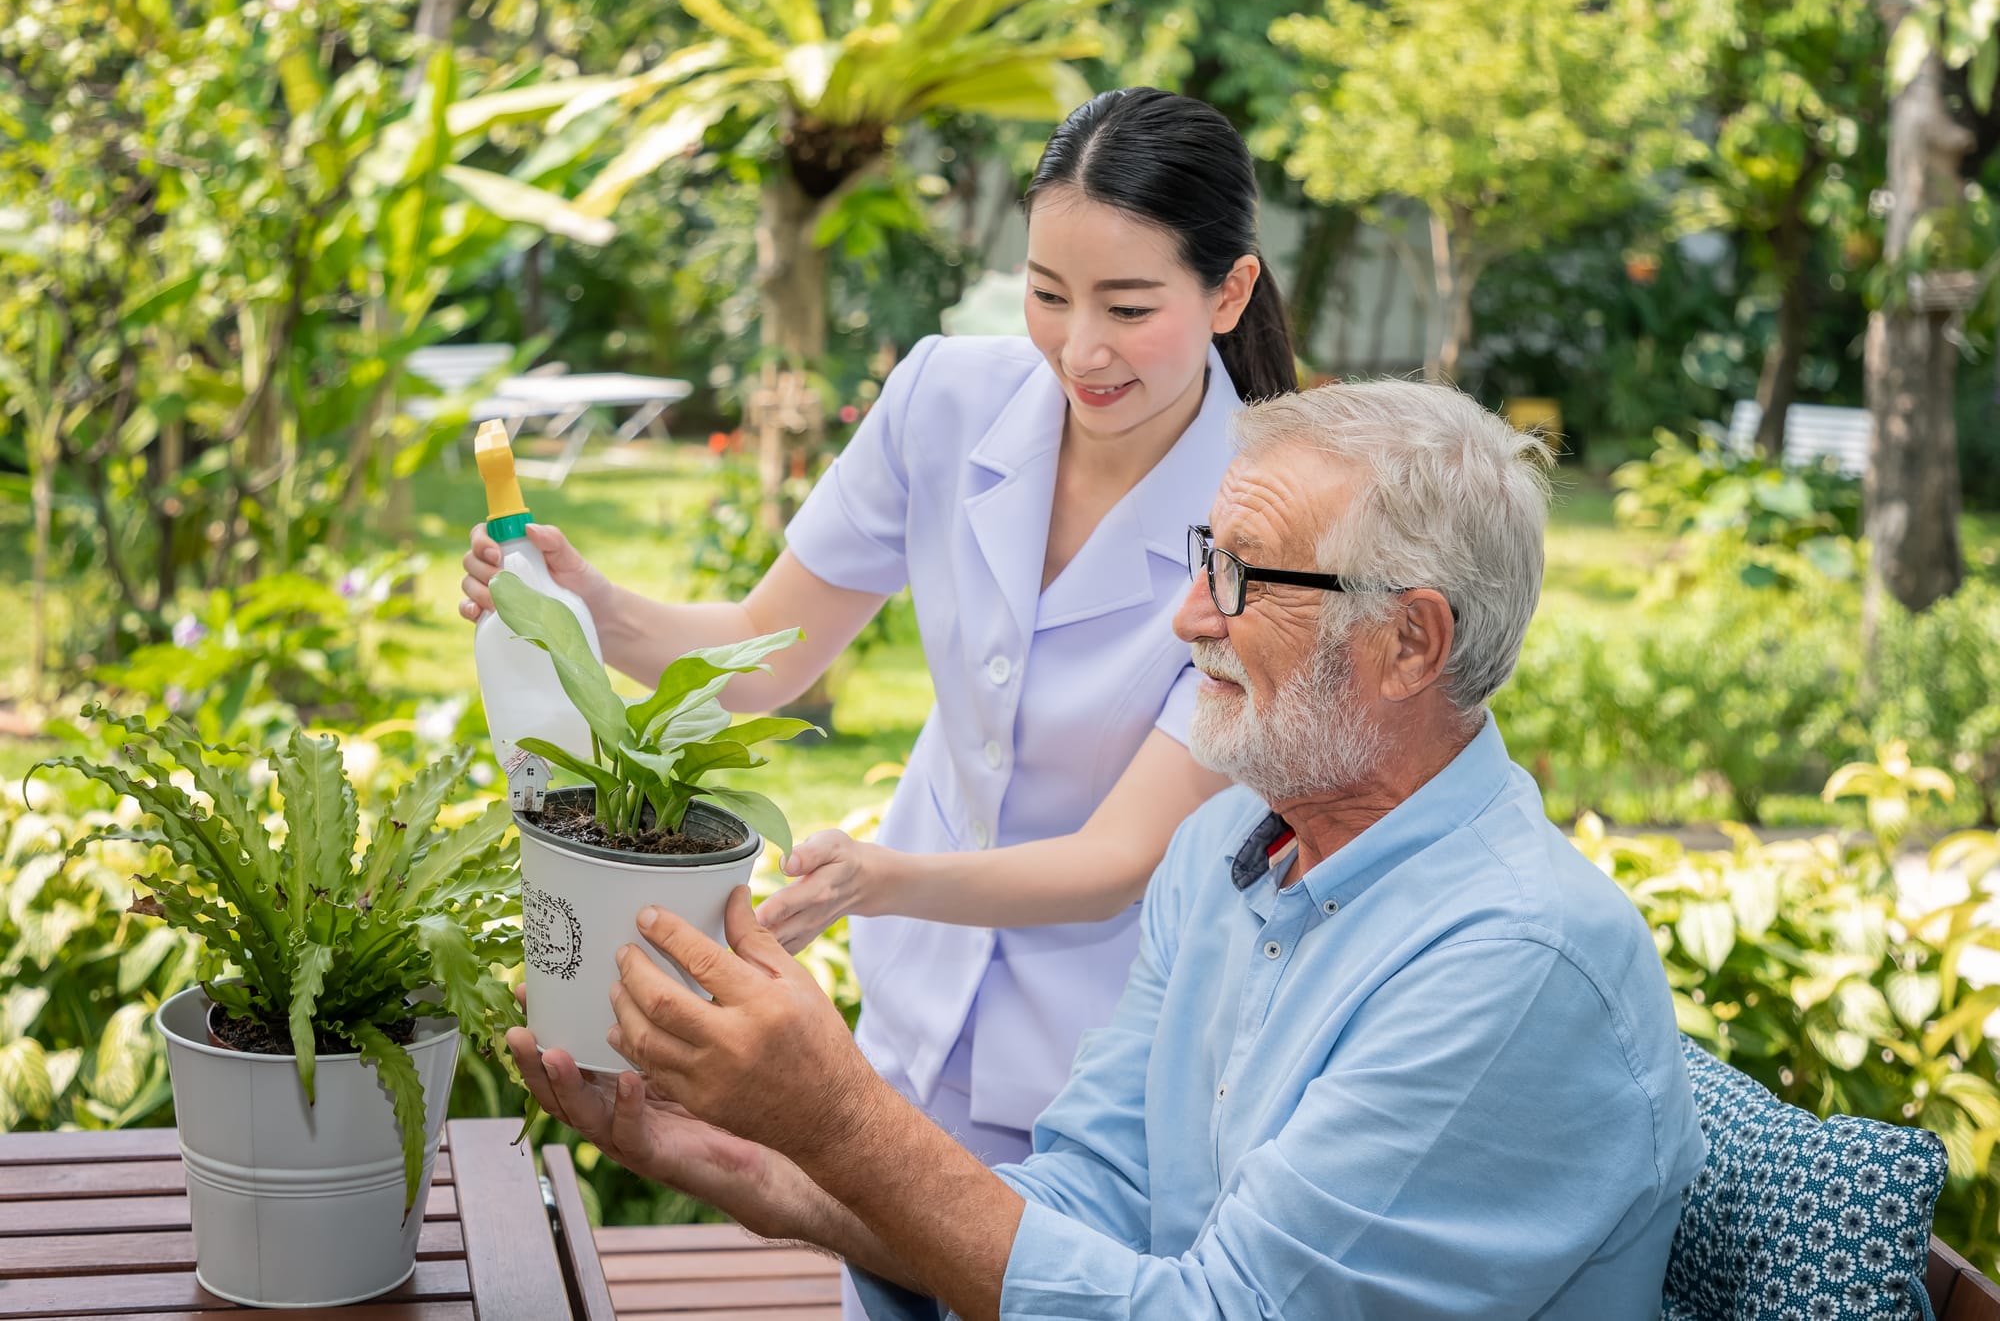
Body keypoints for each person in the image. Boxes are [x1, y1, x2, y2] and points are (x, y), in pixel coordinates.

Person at [506, 378, 1707, 1319]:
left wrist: (834, 1117)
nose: (1188, 617)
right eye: (1202, 559)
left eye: (1241, 578)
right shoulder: (1231, 852)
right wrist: (743, 1152)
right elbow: (1085, 1211)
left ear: (1407, 643)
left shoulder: (1510, 966)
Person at [460, 87, 1294, 1187]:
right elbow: (765, 648)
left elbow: (1117, 862)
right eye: (1048, 294)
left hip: (1106, 1080)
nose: (1079, 349)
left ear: (1229, 289)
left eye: (1128, 308)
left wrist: (877, 879)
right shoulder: (946, 400)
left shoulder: (1272, 515)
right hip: (905, 1030)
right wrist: (584, 603)